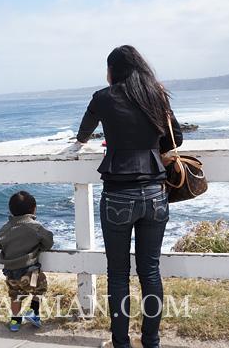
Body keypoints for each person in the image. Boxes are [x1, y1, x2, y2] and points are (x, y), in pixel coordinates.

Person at [76, 45, 183, 348]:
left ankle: (121, 343)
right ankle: (151, 342)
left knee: (118, 274)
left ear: (112, 71)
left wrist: (113, 140)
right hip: (154, 193)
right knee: (150, 271)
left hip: (118, 195)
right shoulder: (155, 93)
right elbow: (177, 135)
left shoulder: (103, 97)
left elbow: (83, 134)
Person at [0, 191, 54, 332]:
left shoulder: (6, 228)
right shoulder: (35, 227)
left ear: (11, 210)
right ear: (34, 209)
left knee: (15, 296)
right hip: (30, 271)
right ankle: (33, 313)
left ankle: (15, 321)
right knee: (40, 288)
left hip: (11, 273)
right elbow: (48, 241)